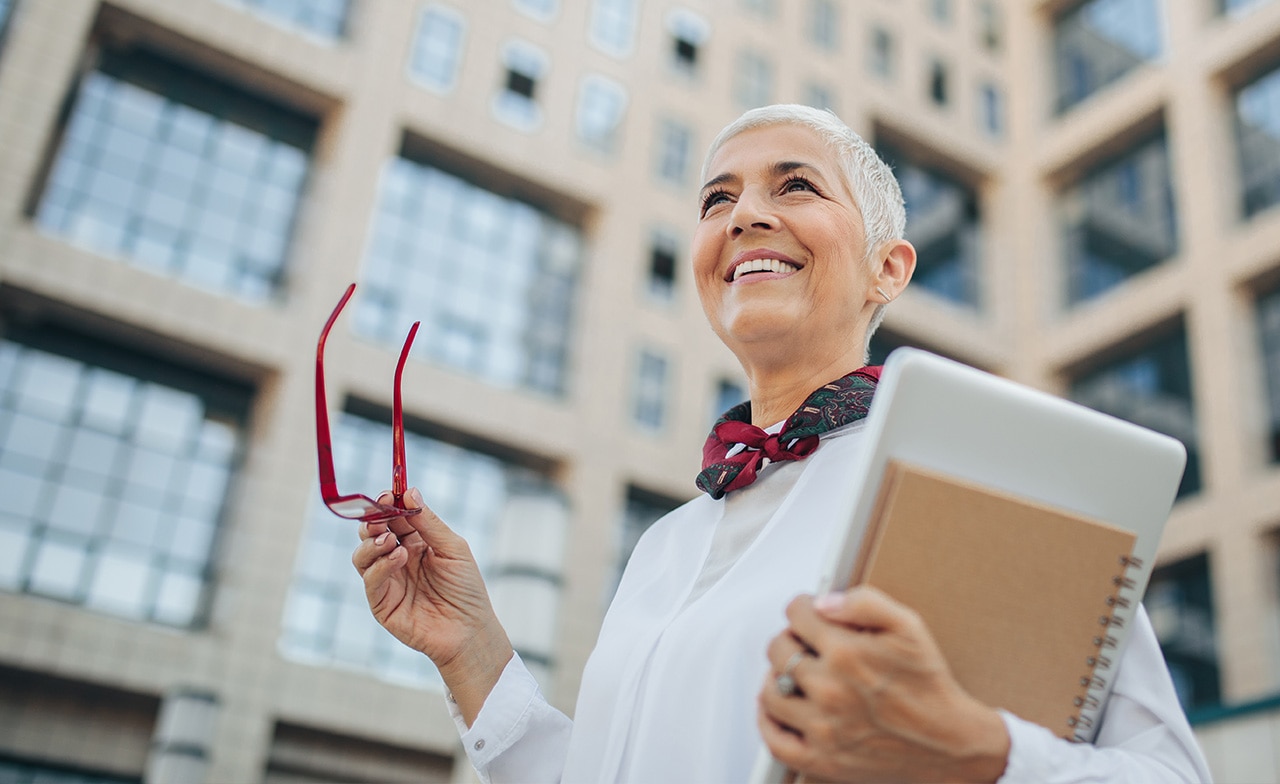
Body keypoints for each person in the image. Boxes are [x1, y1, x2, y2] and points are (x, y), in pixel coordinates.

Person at [351, 104, 1212, 783]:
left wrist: (977, 749)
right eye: (716, 199)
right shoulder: (662, 547)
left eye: (795, 186)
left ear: (890, 269)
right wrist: (472, 652)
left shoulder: (990, 485)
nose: (744, 215)